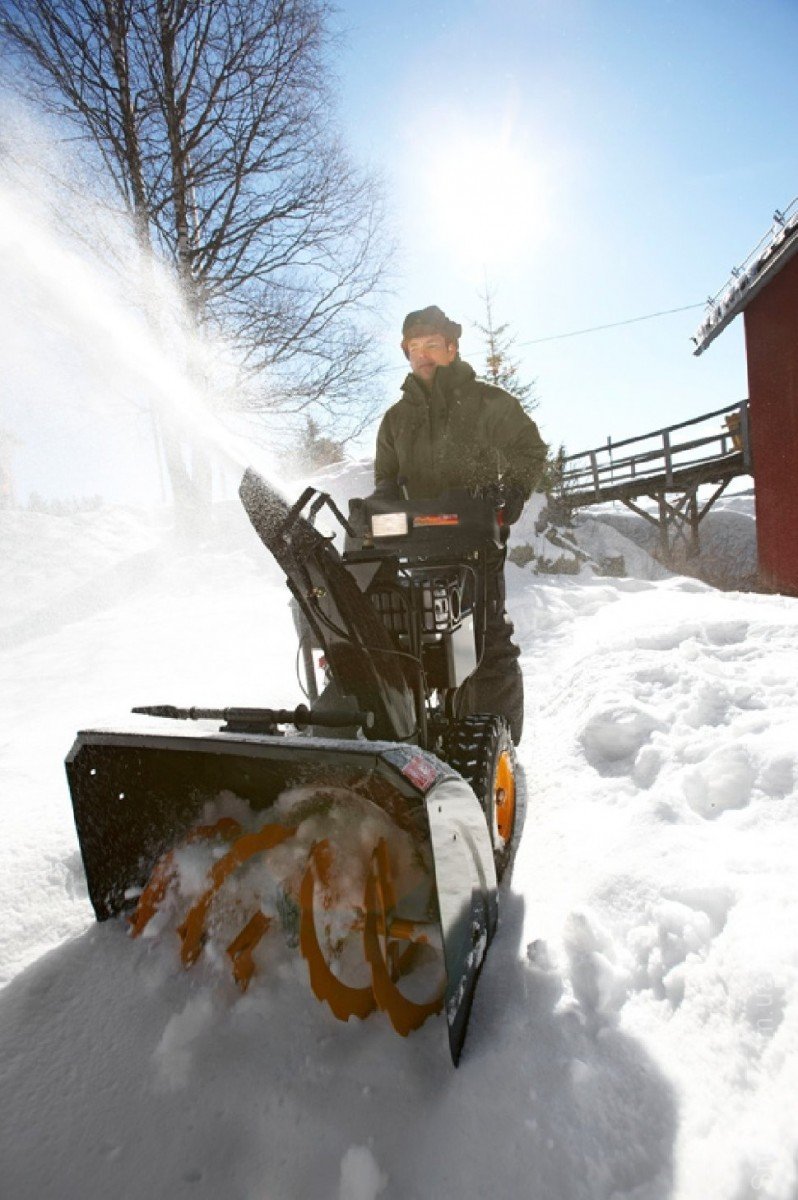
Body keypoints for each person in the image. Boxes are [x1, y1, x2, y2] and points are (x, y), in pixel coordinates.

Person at [373, 304, 547, 744]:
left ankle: (498, 747)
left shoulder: (488, 402)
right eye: (415, 348)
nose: (424, 355)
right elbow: (385, 480)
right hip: (415, 547)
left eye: (432, 345)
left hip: (475, 542)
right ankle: (423, 735)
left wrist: (512, 494)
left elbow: (530, 450)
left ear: (452, 347)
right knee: (420, 641)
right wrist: (380, 507)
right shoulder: (396, 420)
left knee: (482, 639)